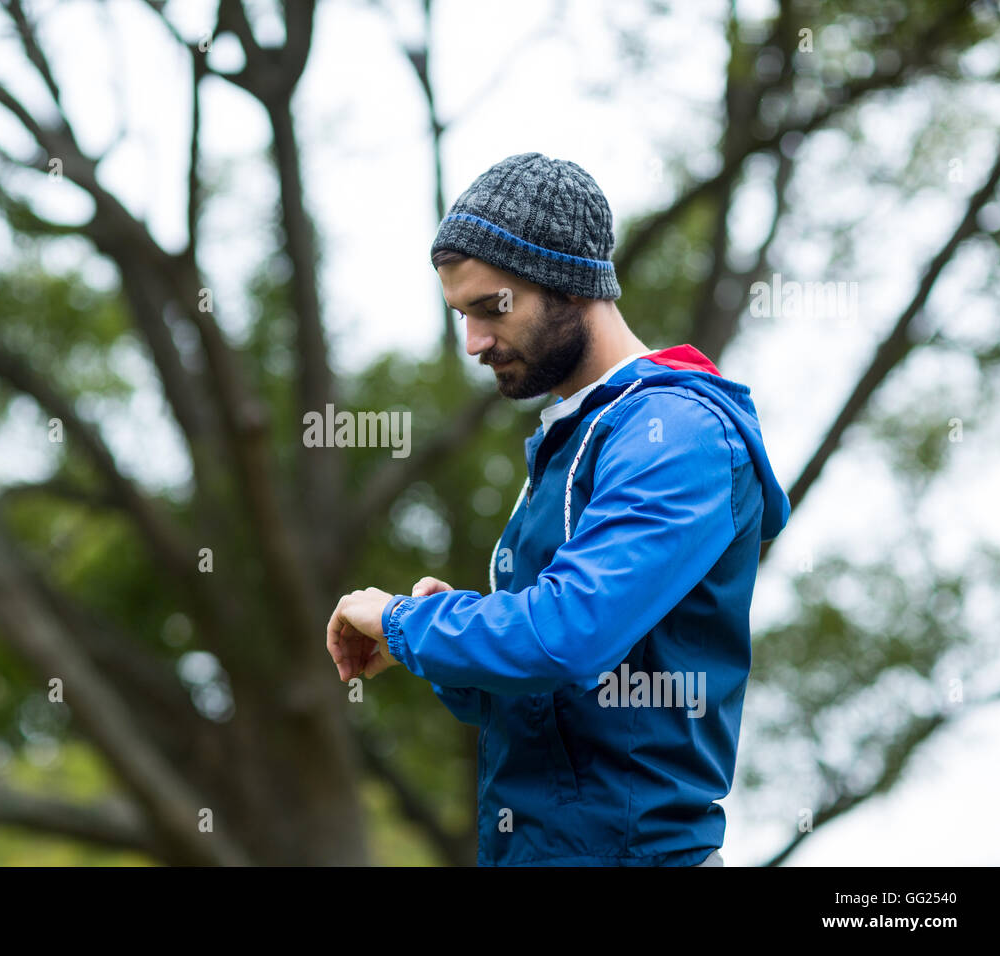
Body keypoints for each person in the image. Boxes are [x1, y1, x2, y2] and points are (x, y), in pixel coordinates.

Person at [326, 152, 791, 866]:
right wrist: (444, 644)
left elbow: (568, 634)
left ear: (571, 286)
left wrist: (406, 619)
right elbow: (551, 698)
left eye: (492, 309)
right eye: (461, 315)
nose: (475, 342)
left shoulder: (680, 433)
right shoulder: (574, 440)